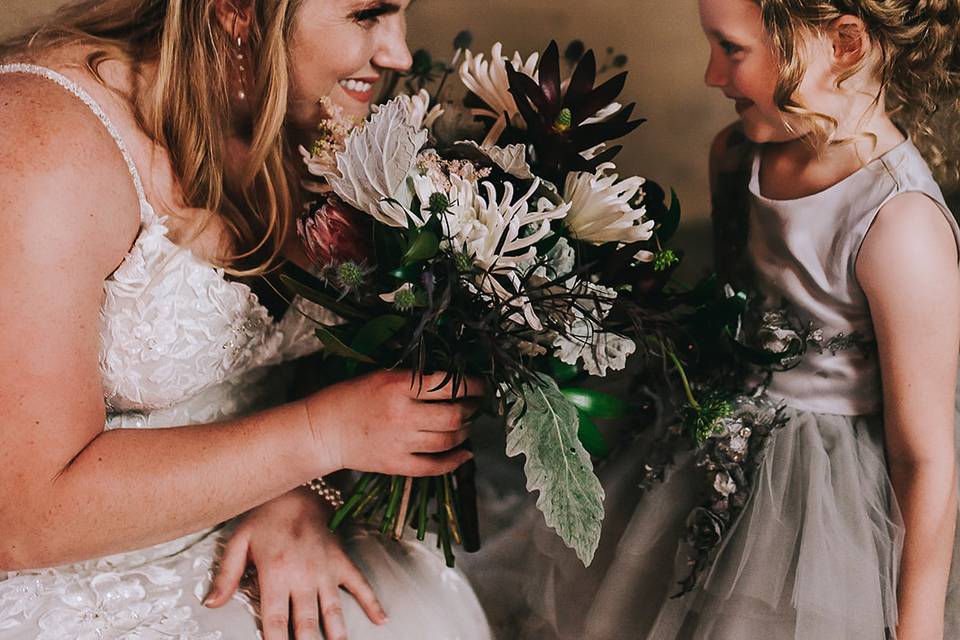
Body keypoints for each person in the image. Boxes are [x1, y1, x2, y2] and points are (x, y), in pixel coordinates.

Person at [0, 1, 494, 639]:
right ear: (237, 12)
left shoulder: (326, 120)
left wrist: (294, 492)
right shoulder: (39, 143)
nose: (399, 55)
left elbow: (313, 358)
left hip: (254, 512)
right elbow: (25, 516)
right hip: (63, 570)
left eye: (402, 11)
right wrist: (320, 436)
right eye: (367, 15)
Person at [469, 1, 960, 638]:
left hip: (827, 498)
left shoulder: (900, 224)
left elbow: (924, 459)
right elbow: (733, 303)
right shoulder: (737, 154)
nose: (712, 74)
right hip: (712, 441)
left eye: (731, 49)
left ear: (844, 45)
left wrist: (915, 627)